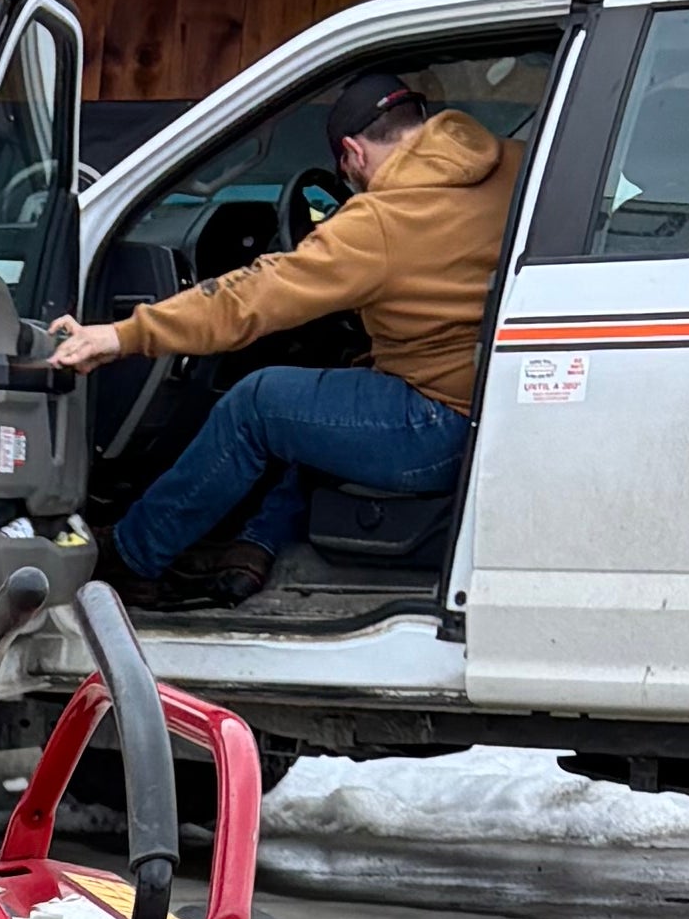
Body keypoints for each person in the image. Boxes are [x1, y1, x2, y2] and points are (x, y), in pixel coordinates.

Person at [42, 70, 517, 608]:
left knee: (259, 404)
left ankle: (132, 558)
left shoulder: (382, 220)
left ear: (353, 155)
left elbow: (254, 296)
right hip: (496, 411)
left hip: (442, 425)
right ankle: (256, 545)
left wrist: (125, 334)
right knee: (325, 392)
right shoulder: (515, 160)